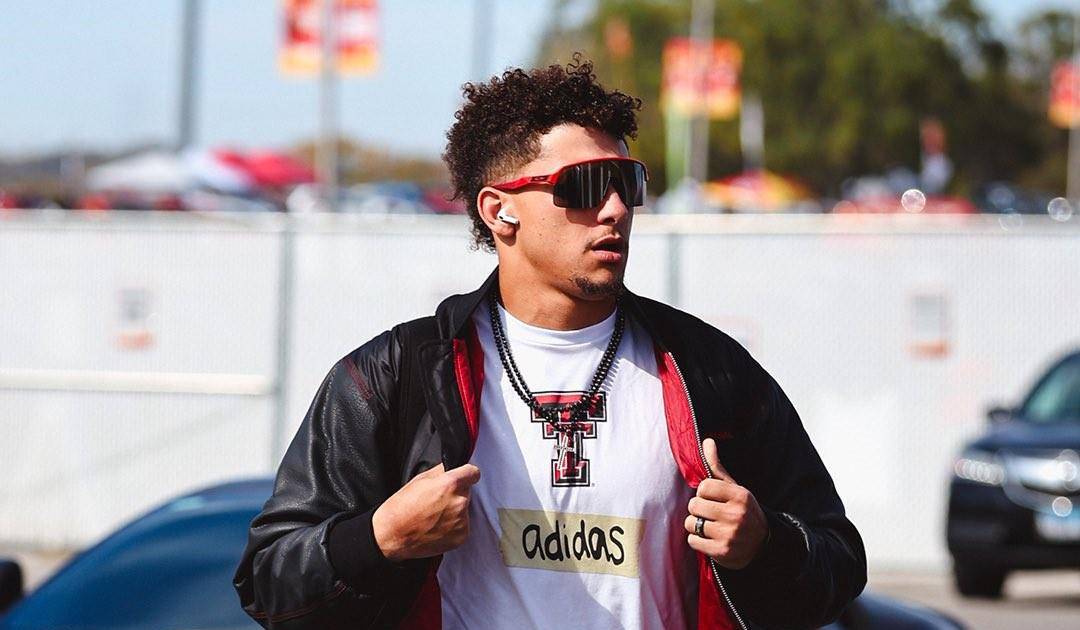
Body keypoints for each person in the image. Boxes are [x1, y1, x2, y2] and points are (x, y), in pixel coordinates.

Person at [234, 57, 866, 630]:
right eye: (585, 186)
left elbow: (838, 562)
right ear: (498, 211)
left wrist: (765, 546)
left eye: (628, 183)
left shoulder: (708, 371)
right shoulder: (398, 376)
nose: (615, 209)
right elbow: (268, 581)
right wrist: (378, 540)